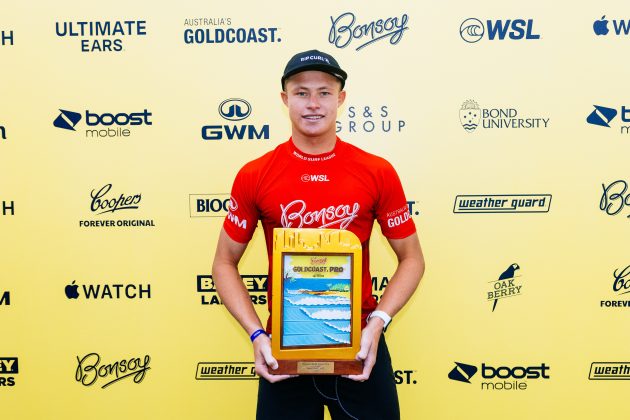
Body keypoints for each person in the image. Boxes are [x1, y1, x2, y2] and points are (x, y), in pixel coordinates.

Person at [212, 49, 425, 420]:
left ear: (341, 99)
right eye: (301, 92)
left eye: (324, 92)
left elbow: (413, 258)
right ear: (285, 100)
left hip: (359, 344)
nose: (313, 104)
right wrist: (256, 335)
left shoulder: (376, 171)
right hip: (284, 345)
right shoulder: (255, 174)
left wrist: (378, 323)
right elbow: (223, 264)